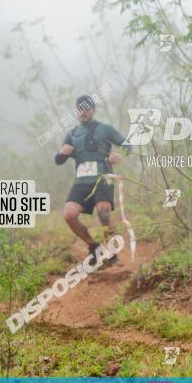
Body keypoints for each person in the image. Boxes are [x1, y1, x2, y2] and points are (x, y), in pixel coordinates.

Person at [55, 95, 130, 260]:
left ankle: (112, 253)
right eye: (79, 109)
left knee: (104, 213)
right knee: (68, 215)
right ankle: (93, 246)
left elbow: (127, 144)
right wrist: (60, 153)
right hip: (81, 182)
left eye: (86, 109)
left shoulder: (105, 129)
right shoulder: (72, 134)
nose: (83, 112)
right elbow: (58, 160)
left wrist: (118, 154)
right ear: (76, 111)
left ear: (93, 110)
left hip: (103, 178)